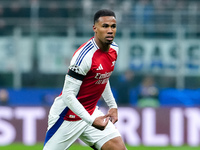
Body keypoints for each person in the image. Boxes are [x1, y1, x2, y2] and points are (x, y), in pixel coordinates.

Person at [43, 9, 127, 150]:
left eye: (113, 26)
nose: (110, 30)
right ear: (95, 28)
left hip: (90, 111)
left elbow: (102, 77)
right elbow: (68, 95)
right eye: (105, 26)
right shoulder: (83, 57)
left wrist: (112, 105)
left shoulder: (114, 49)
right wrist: (91, 120)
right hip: (67, 116)